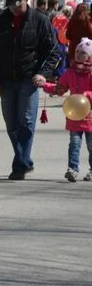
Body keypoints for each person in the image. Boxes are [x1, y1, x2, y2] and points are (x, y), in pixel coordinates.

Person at [0, 0, 59, 180]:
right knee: (12, 124)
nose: (15, 9)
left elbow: (53, 52)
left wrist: (43, 74)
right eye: (11, 5)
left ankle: (19, 165)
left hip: (29, 78)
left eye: (19, 4)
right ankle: (25, 160)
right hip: (5, 79)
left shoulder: (40, 20)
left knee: (26, 121)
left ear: (26, 0)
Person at [42, 38, 92, 182]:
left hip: (90, 116)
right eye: (76, 51)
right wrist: (45, 85)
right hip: (75, 116)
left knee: (91, 145)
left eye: (82, 53)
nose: (78, 55)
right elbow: (60, 88)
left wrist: (87, 95)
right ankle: (72, 169)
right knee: (74, 144)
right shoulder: (70, 72)